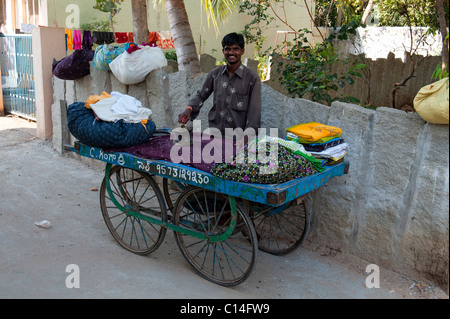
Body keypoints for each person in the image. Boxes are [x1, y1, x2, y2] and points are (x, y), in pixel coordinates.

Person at [178, 32, 261, 138]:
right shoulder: (215, 74)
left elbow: (254, 113)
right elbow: (201, 96)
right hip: (215, 133)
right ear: (223, 51)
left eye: (235, 49)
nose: (231, 52)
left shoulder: (252, 78)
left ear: (242, 51)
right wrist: (188, 109)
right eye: (227, 49)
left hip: (238, 138)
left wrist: (247, 137)